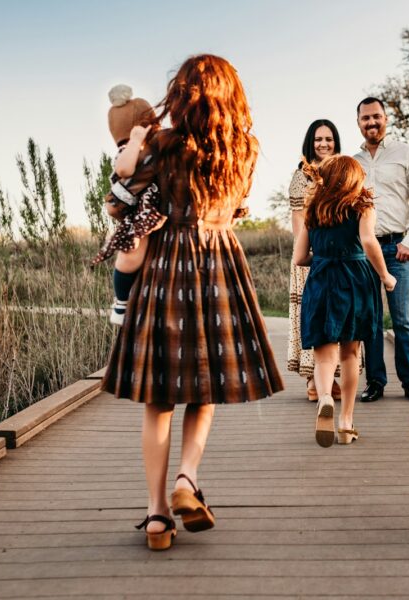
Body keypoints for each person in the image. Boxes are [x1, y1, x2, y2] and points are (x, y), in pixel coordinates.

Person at [102, 55, 285, 550]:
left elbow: (119, 202)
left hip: (166, 267)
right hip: (219, 264)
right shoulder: (243, 149)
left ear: (180, 95)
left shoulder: (163, 145)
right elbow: (239, 205)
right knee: (204, 386)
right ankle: (187, 478)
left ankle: (157, 514)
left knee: (159, 398)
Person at [293, 155, 396, 447]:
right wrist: (386, 276)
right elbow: (368, 241)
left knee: (324, 356)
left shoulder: (313, 209)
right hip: (355, 280)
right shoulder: (362, 206)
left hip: (322, 280)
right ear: (353, 178)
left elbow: (299, 257)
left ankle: (325, 396)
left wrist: (323, 258)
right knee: (351, 354)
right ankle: (346, 422)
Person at [353, 97, 409, 403]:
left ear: (385, 118)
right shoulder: (353, 163)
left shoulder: (405, 153)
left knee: (403, 320)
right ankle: (375, 382)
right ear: (358, 122)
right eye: (365, 118)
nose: (371, 122)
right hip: (364, 251)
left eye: (376, 116)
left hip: (398, 248)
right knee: (370, 319)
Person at [91, 85, 166, 326]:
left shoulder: (152, 149)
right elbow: (124, 170)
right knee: (131, 254)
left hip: (151, 209)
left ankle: (134, 300)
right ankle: (121, 303)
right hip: (139, 213)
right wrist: (135, 141)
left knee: (140, 256)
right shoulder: (129, 149)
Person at [287, 119, 343, 401]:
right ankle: (312, 378)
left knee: (335, 314)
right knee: (312, 316)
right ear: (311, 142)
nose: (324, 144)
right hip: (311, 256)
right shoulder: (302, 176)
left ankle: (330, 377)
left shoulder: (342, 172)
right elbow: (299, 222)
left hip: (338, 257)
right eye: (319, 139)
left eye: (329, 139)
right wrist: (310, 256)